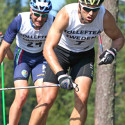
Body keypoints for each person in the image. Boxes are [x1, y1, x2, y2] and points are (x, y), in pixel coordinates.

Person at [28, 0, 125, 125]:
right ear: (79, 4)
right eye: (86, 9)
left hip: (84, 56)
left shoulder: (104, 16)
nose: (91, 13)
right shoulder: (66, 14)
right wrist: (61, 74)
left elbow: (119, 37)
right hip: (60, 53)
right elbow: (47, 48)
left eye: (95, 9)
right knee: (47, 99)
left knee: (82, 99)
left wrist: (112, 51)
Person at [0, 0, 54, 125]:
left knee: (43, 98)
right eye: (36, 14)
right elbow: (3, 48)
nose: (40, 19)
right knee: (22, 95)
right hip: (23, 57)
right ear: (31, 10)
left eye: (44, 15)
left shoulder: (53, 21)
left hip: (41, 59)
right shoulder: (20, 20)